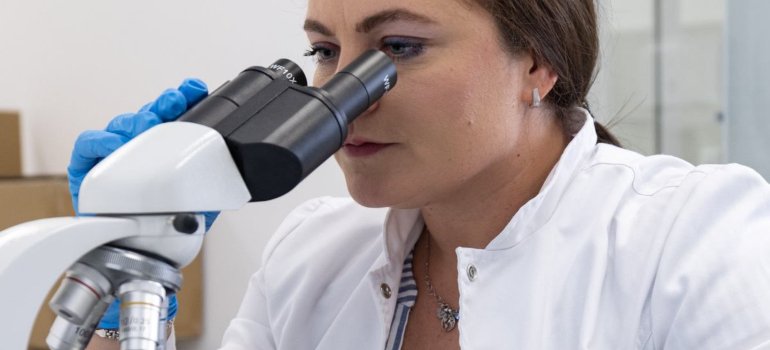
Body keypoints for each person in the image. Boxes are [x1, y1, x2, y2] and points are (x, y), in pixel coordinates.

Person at [70, 0, 770, 349]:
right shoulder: (310, 256)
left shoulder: (699, 244)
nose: (339, 97)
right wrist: (134, 272)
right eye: (322, 51)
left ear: (537, 63)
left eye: (398, 47)